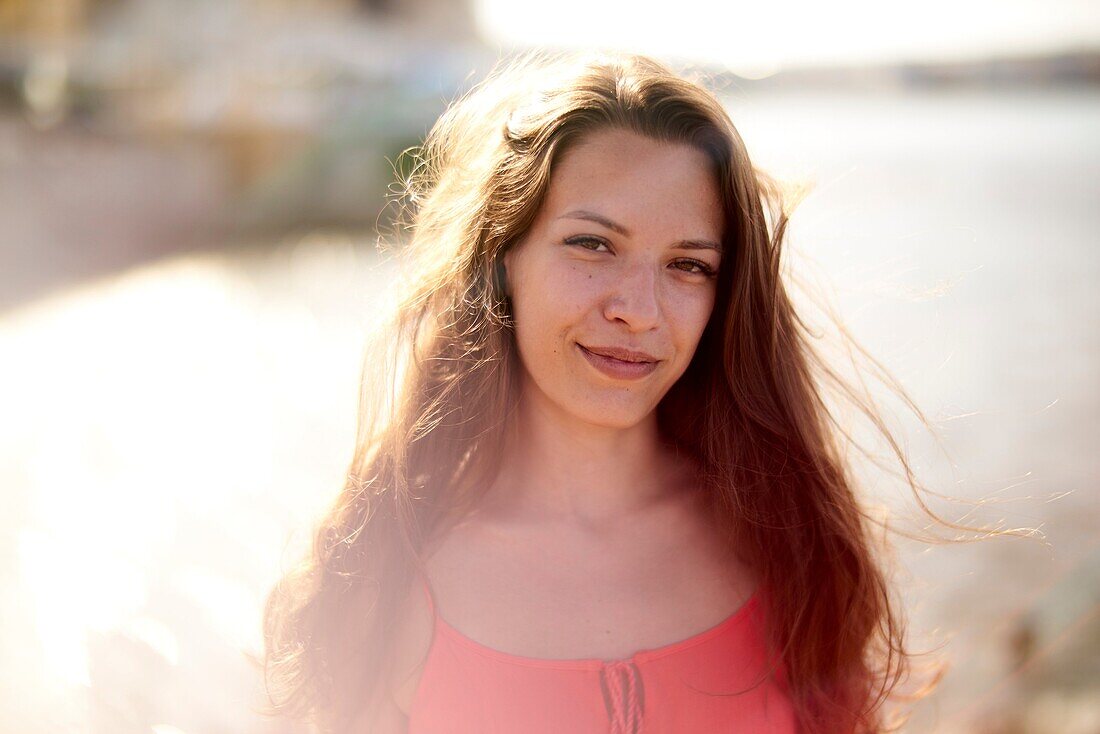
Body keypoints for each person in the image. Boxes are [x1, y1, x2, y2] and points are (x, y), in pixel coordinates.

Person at [262, 50, 926, 733]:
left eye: (687, 265)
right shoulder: (389, 576)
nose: (639, 309)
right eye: (594, 245)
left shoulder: (784, 536)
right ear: (503, 256)